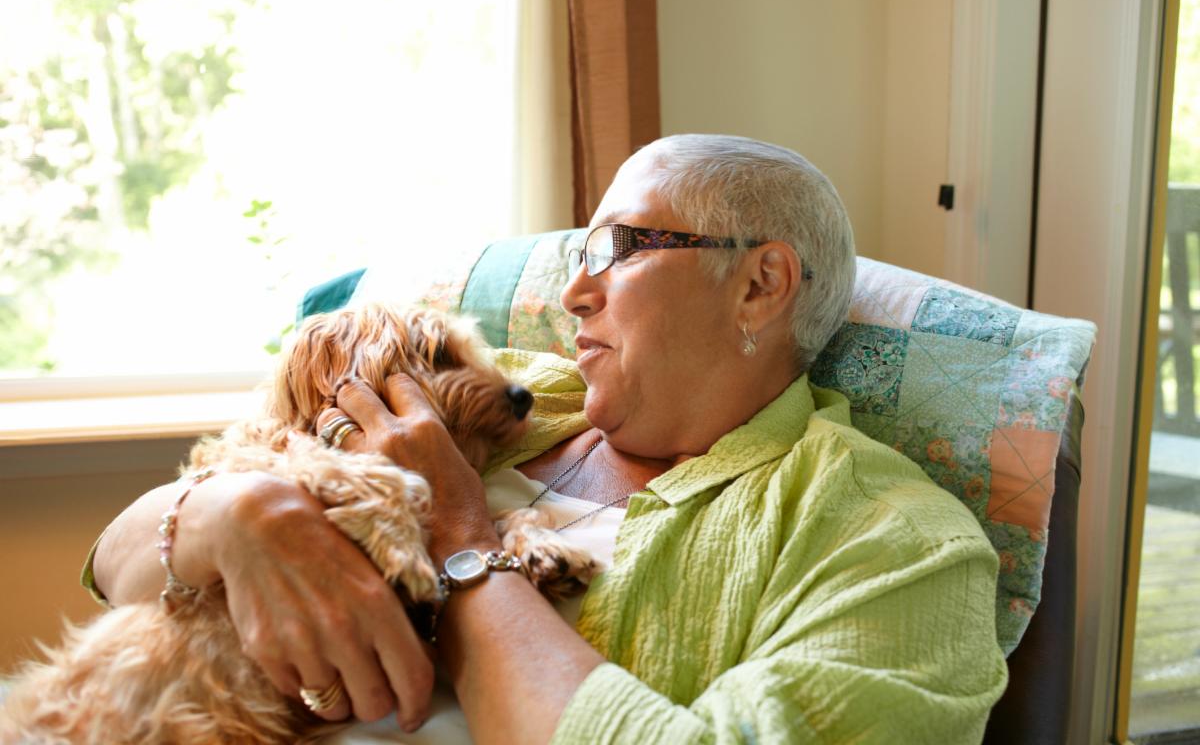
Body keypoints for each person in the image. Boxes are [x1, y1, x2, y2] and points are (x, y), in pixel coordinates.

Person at [87, 134, 1008, 743]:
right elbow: (109, 564)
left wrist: (457, 535)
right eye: (578, 261)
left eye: (619, 248)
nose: (573, 295)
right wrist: (237, 514)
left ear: (761, 283)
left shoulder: (894, 541)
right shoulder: (525, 395)